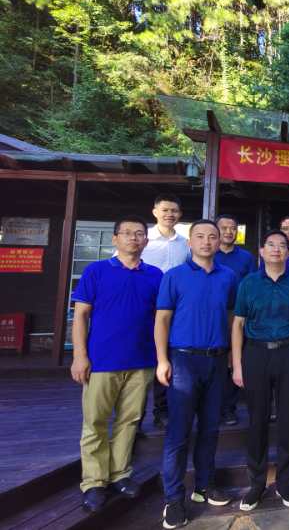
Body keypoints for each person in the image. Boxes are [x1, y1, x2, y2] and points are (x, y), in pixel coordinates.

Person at [70, 216, 163, 512]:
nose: (134, 238)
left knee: (130, 421)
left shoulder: (155, 275)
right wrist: (79, 356)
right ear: (115, 239)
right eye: (127, 233)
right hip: (101, 361)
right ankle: (94, 482)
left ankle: (120, 474)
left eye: (139, 234)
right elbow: (80, 315)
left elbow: (160, 319)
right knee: (95, 422)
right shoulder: (96, 271)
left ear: (146, 240)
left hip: (142, 361)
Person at [155, 220, 238, 529]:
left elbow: (232, 316)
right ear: (189, 243)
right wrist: (162, 360)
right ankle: (174, 499)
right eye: (200, 236)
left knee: (210, 429)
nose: (206, 241)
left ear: (219, 242)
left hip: (216, 361)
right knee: (178, 433)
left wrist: (232, 356)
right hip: (183, 360)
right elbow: (162, 320)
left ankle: (204, 486)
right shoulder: (174, 276)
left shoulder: (228, 276)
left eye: (212, 237)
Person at [231, 230, 289, 511]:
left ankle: (286, 483)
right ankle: (257, 483)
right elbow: (238, 324)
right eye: (271, 245)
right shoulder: (248, 283)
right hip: (256, 353)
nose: (276, 249)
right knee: (257, 419)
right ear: (261, 251)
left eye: (282, 245)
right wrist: (237, 364)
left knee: (288, 418)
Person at [142, 194, 190, 430]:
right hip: (146, 307)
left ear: (179, 215)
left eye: (174, 211)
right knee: (144, 358)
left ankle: (162, 410)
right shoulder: (143, 239)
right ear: (155, 212)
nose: (170, 214)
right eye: (165, 210)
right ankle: (135, 415)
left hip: (175, 310)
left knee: (167, 356)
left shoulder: (185, 244)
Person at [214, 214, 257, 427]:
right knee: (216, 360)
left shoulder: (246, 257)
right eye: (224, 228)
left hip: (238, 315)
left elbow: (252, 283)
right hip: (213, 314)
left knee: (234, 360)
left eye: (233, 228)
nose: (229, 232)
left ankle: (229, 408)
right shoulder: (208, 252)